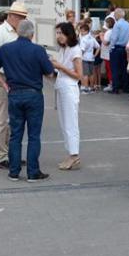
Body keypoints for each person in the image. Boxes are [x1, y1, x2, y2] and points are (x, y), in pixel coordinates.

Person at [0, 19, 56, 182]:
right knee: (33, 135)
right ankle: (33, 172)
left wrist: (3, 83)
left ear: (17, 32)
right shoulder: (38, 50)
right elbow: (50, 74)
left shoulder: (6, 49)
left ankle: (14, 171)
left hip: (14, 93)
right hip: (33, 95)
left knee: (15, 134)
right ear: (32, 34)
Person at [0, 2, 28, 169]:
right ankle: (0, 156)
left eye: (24, 17)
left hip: (15, 78)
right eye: (21, 17)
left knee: (14, 119)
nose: (23, 20)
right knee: (3, 118)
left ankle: (12, 154)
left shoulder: (18, 32)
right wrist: (3, 81)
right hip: (2, 77)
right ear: (11, 16)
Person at [53, 22, 83, 171]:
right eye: (57, 33)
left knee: (70, 122)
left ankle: (74, 154)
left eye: (61, 33)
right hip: (62, 86)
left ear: (68, 34)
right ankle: (71, 153)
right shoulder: (64, 49)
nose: (58, 36)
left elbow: (79, 75)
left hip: (69, 88)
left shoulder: (75, 50)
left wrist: (60, 67)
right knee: (64, 122)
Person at [108, 9, 129, 94]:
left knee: (115, 69)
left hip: (116, 48)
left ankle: (116, 88)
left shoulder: (117, 25)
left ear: (117, 15)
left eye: (114, 14)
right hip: (125, 48)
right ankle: (126, 87)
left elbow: (114, 38)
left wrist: (111, 48)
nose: (114, 16)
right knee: (124, 69)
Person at [78, 22, 100, 93]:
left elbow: (82, 50)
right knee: (91, 74)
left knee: (85, 74)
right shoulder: (92, 38)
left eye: (82, 31)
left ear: (86, 31)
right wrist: (95, 55)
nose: (81, 32)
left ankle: (86, 88)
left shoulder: (83, 39)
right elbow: (98, 47)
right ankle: (92, 87)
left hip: (84, 58)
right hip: (91, 58)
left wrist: (79, 57)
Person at [100, 16, 114, 92]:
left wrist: (101, 36)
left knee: (109, 69)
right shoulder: (112, 31)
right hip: (109, 53)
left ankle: (110, 84)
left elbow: (105, 42)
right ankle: (111, 83)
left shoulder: (108, 32)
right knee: (109, 69)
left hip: (107, 53)